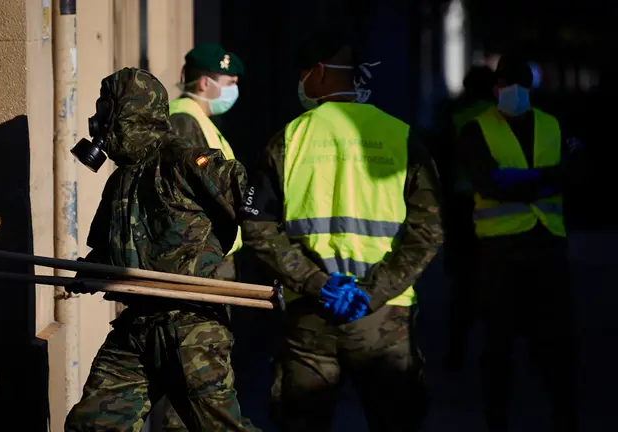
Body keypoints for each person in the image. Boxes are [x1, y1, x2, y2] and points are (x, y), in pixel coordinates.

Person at [239, 30, 443, 432]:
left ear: (318, 72)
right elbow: (429, 230)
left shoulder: (288, 139)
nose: (300, 84)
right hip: (384, 319)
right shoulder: (400, 137)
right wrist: (374, 292)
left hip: (310, 315)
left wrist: (318, 284)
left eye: (302, 75)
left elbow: (258, 227)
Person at [64, 67, 259, 432]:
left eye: (105, 109)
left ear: (127, 111)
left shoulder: (183, 160)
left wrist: (269, 263)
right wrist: (91, 270)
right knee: (93, 423)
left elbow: (250, 196)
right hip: (137, 324)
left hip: (190, 326)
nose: (97, 119)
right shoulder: (121, 180)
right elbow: (111, 249)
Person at [457, 54, 580, 432]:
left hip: (547, 245)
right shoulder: (476, 129)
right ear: (495, 88)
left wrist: (521, 179)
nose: (511, 91)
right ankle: (497, 418)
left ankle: (564, 416)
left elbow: (575, 175)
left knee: (556, 340)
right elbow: (490, 183)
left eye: (518, 85)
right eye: (505, 84)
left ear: (529, 88)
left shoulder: (552, 125)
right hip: (500, 250)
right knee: (499, 343)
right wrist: (547, 177)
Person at [157, 43, 247, 432]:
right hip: (198, 264)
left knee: (205, 371)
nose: (234, 88)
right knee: (198, 375)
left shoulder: (200, 120)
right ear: (205, 83)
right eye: (229, 81)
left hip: (211, 262)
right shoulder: (184, 120)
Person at [442, 65, 497, 370]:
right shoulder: (504, 118)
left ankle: (456, 354)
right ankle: (494, 352)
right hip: (497, 207)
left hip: (463, 207)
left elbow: (443, 165)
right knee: (496, 283)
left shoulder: (457, 118)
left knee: (462, 285)